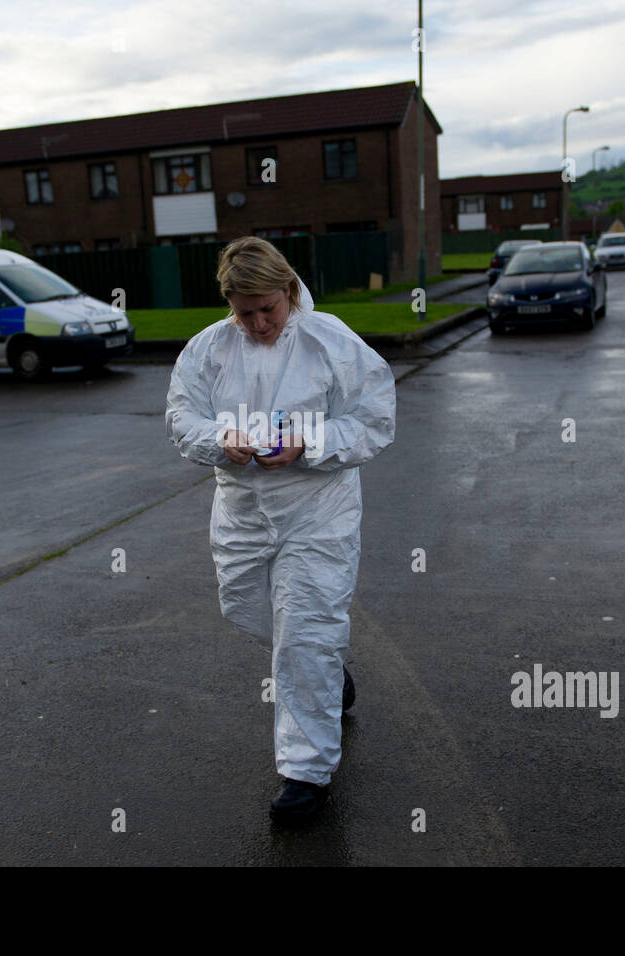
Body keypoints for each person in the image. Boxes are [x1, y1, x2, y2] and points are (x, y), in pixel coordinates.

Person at [165, 236, 396, 822]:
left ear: (290, 291)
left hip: (318, 512)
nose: (260, 323)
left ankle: (305, 773)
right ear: (229, 306)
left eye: (268, 308)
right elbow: (181, 415)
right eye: (246, 313)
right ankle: (326, 671)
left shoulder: (331, 341)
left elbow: (375, 419)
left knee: (305, 631)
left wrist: (309, 443)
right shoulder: (209, 349)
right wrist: (221, 440)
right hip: (242, 509)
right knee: (246, 606)